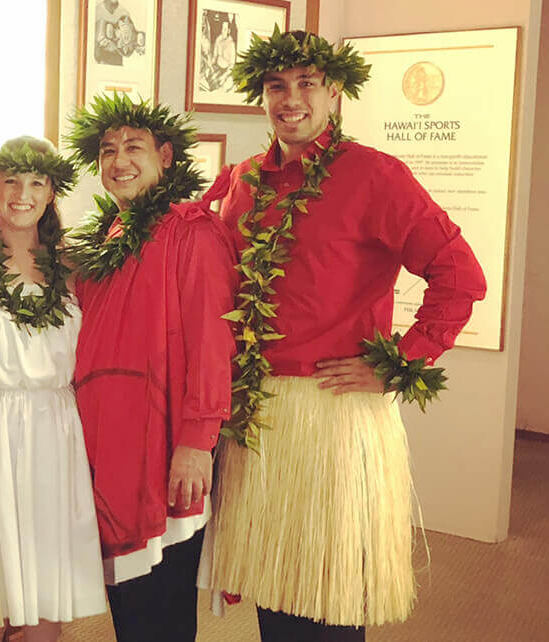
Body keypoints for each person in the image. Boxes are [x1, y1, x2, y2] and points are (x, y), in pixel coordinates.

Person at [207, 29, 488, 641]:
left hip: (331, 416)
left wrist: (400, 361)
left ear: (335, 92)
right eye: (277, 85)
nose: (291, 98)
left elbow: (460, 275)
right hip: (255, 415)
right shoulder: (241, 181)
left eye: (307, 83)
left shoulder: (374, 175)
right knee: (274, 588)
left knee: (327, 601)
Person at [64, 93, 238, 642]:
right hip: (111, 450)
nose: (119, 161)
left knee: (160, 608)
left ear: (166, 156)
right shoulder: (107, 239)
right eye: (108, 150)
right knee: (129, 605)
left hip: (164, 447)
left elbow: (214, 342)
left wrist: (196, 441)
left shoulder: (193, 232)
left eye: (134, 147)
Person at [0, 136, 108, 642]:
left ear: (52, 193)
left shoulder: (75, 268)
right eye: (11, 180)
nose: (22, 193)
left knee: (47, 571)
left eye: (36, 182)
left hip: (54, 427)